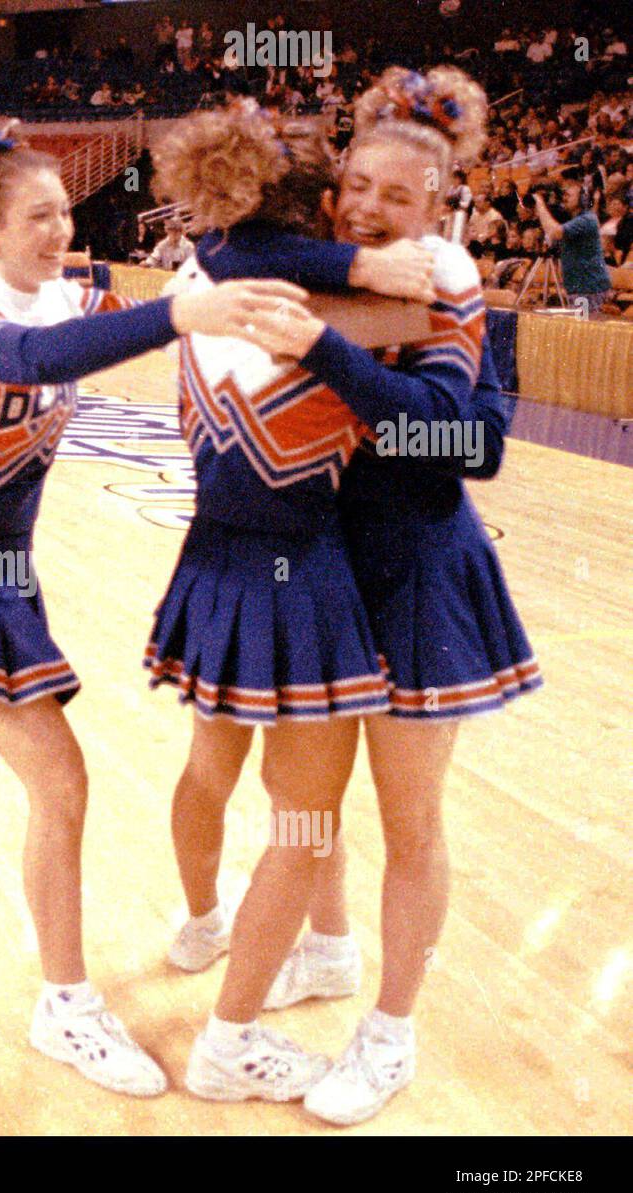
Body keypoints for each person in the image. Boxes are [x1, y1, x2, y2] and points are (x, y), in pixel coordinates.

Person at [0, 112, 311, 1097]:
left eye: (63, 212)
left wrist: (239, 218)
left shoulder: (65, 291)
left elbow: (131, 299)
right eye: (35, 217)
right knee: (61, 784)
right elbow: (38, 361)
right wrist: (176, 318)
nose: (57, 230)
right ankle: (63, 1004)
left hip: (2, 569)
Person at [186, 67, 541, 1125]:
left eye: (397, 198)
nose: (368, 207)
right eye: (357, 184)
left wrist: (324, 351)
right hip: (324, 569)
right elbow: (219, 249)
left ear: (439, 209)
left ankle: (391, 1031)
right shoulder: (335, 254)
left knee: (407, 821)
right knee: (304, 806)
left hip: (420, 575)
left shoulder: (452, 284)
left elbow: (467, 442)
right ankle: (329, 949)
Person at [534, 180, 613, 315]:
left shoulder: (588, 219)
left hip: (589, 288)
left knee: (585, 329)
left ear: (583, 199)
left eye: (569, 195)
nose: (565, 198)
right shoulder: (574, 220)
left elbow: (556, 232)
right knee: (580, 327)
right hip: (578, 287)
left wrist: (540, 204)